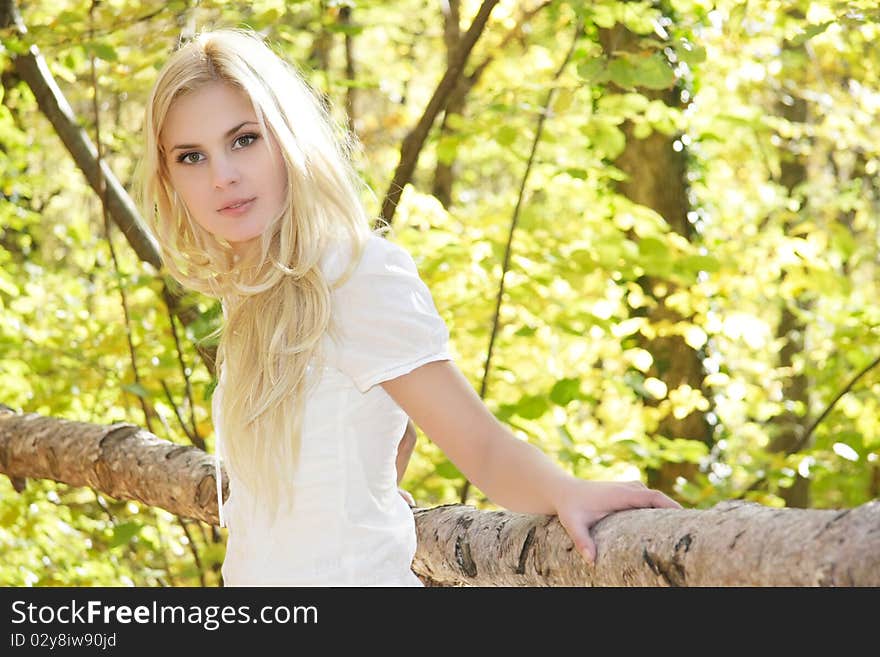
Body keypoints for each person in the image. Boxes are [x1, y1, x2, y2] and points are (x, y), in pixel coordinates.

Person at [136, 28, 680, 587]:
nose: (222, 175)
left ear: (288, 138)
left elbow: (483, 447)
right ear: (170, 178)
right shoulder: (252, 296)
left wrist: (567, 491)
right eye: (191, 156)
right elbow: (359, 419)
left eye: (244, 140)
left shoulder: (355, 273)